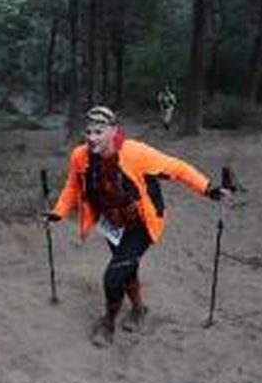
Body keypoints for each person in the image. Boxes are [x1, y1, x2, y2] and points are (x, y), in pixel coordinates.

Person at [44, 106, 228, 347]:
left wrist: (208, 189)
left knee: (113, 276)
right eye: (88, 131)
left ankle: (108, 324)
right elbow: (73, 186)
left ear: (113, 131)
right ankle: (139, 310)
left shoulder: (135, 153)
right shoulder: (80, 156)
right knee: (127, 268)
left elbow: (177, 168)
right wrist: (58, 212)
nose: (91, 137)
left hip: (141, 224)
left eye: (98, 132)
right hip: (111, 222)